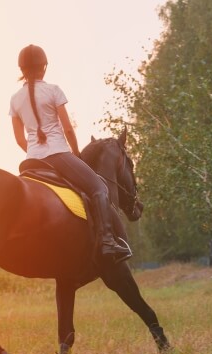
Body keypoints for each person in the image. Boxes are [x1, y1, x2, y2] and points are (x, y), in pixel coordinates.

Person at [9, 44, 131, 263]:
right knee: (99, 188)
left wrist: (35, 152)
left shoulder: (15, 99)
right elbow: (67, 129)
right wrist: (75, 154)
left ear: (22, 69)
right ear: (44, 67)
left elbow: (19, 139)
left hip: (31, 161)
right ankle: (107, 241)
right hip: (59, 155)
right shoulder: (53, 90)